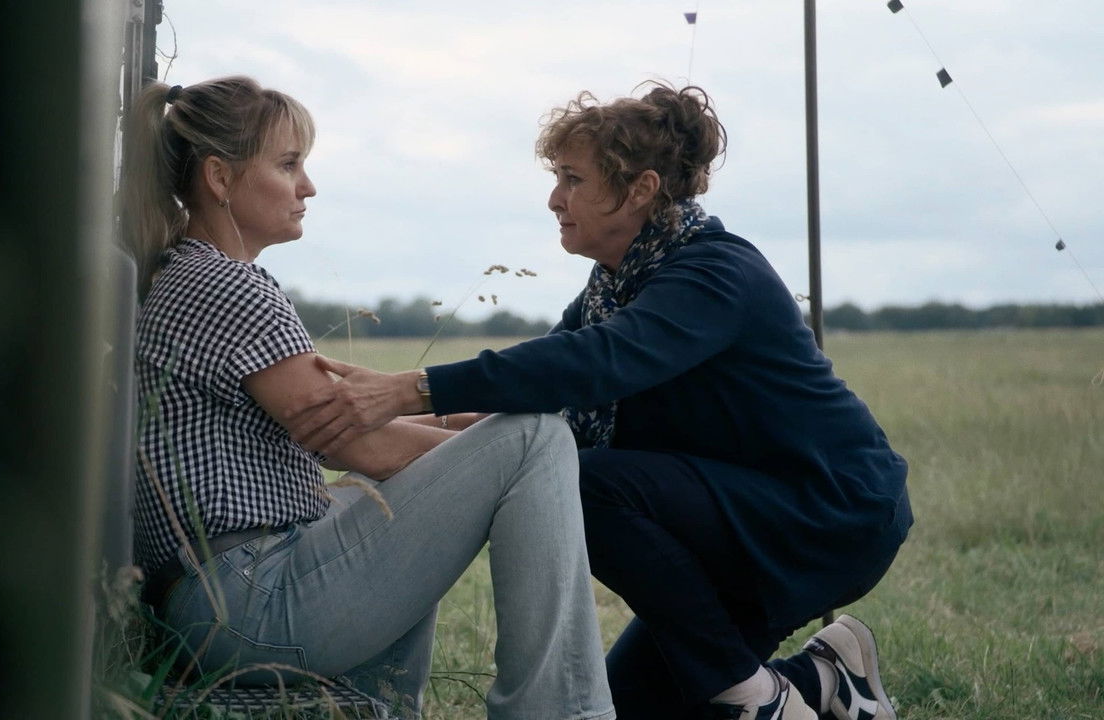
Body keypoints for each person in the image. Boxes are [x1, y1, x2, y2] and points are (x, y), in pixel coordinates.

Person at [287, 83, 912, 720]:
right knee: (624, 708)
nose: (554, 199)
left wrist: (406, 388)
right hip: (729, 524)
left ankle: (756, 697)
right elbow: (532, 401)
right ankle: (825, 675)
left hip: (823, 514)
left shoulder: (714, 274)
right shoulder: (613, 285)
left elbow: (589, 363)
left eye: (573, 179)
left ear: (640, 189)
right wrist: (376, 412)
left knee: (573, 478)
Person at [122, 75, 616, 720]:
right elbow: (365, 446)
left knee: (416, 478)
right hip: (242, 606)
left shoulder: (193, 274)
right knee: (538, 439)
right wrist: (508, 455)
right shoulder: (227, 287)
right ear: (219, 177)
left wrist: (480, 438)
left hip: (213, 599)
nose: (308, 187)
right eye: (288, 165)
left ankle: (379, 705)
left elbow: (340, 431)